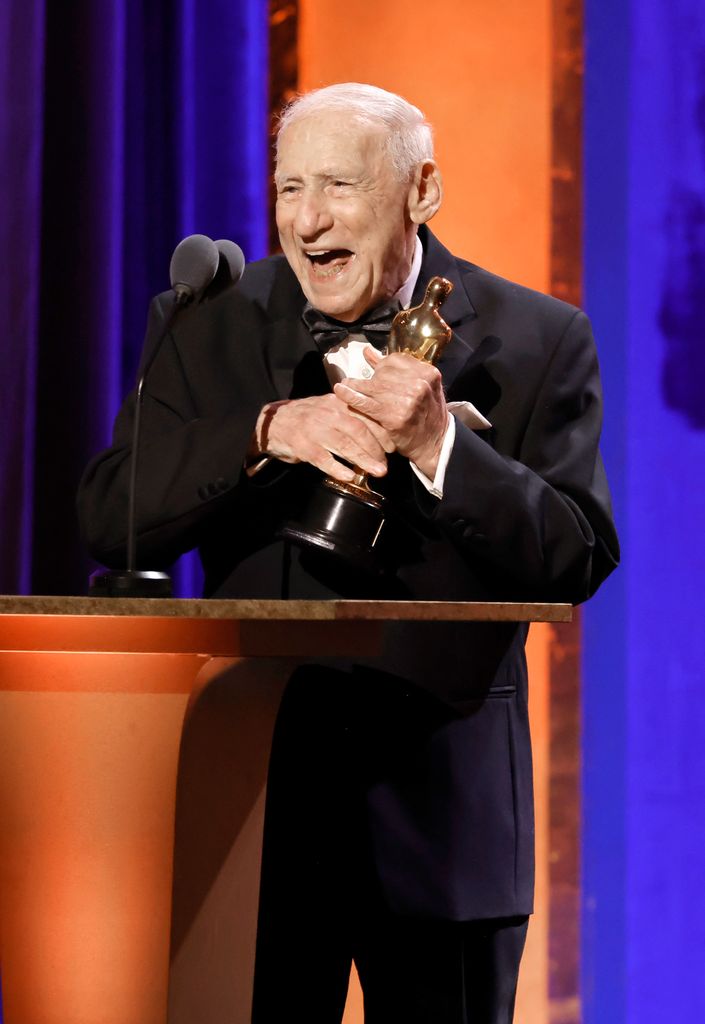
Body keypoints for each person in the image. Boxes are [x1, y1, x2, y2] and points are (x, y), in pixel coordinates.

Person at [78, 83, 619, 1023]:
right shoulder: (208, 317)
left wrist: (440, 449)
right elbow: (108, 513)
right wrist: (265, 428)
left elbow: (573, 557)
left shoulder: (538, 337)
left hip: (443, 822)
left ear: (421, 192)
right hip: (248, 816)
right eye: (289, 189)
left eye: (338, 186)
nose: (308, 220)